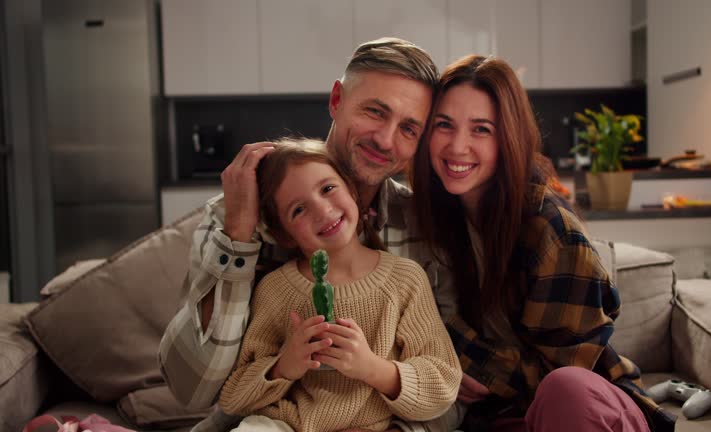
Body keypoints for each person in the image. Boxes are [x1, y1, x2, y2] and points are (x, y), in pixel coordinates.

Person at [158, 38, 447, 432]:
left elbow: (445, 388)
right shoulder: (238, 219)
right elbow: (193, 391)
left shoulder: (420, 226)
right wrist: (240, 235)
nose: (384, 140)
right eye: (375, 111)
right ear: (336, 99)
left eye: (408, 129)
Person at [411, 55, 676, 432]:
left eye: (481, 129)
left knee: (564, 389)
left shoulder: (550, 228)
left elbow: (565, 370)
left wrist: (462, 361)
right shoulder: (431, 220)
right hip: (503, 417)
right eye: (444, 125)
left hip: (581, 408)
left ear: (509, 138)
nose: (458, 146)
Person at [217, 139, 460, 432]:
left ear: (352, 191)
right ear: (285, 235)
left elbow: (443, 383)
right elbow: (233, 399)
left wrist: (372, 368)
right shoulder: (275, 289)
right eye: (298, 210)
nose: (322, 210)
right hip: (287, 425)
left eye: (327, 189)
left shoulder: (405, 279)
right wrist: (284, 366)